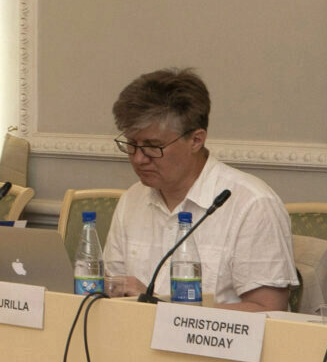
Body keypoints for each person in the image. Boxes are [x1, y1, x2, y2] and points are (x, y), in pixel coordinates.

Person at [98, 68, 295, 311]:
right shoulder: (132, 199)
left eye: (153, 146)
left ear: (196, 140)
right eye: (131, 144)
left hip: (216, 337)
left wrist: (160, 308)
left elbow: (269, 311)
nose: (138, 159)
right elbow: (112, 291)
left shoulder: (252, 204)